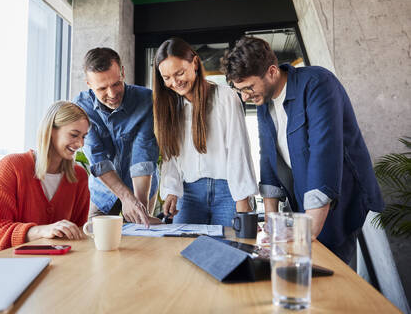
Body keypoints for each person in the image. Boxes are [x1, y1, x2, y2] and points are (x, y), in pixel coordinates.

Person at [221, 36, 384, 263]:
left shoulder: (318, 84)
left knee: (332, 274)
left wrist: (308, 232)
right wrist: (271, 228)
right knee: (305, 272)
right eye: (240, 90)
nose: (245, 96)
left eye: (249, 87)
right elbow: (268, 158)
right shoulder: (263, 102)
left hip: (338, 199)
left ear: (272, 72)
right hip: (302, 200)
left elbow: (324, 155)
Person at [153, 37, 258, 226]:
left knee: (230, 252)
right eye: (166, 78)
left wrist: (243, 200)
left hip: (228, 191)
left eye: (179, 73)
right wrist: (171, 190)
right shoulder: (169, 107)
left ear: (194, 63)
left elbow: (238, 150)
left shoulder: (226, 97)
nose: (175, 83)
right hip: (188, 193)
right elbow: (171, 155)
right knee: (182, 252)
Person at [0, 101, 91, 257]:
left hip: (49, 266)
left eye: (84, 137)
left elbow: (76, 235)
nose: (80, 143)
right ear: (50, 131)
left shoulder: (79, 177)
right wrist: (42, 230)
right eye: (74, 135)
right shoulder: (11, 167)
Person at [74, 47, 160, 226]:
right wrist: (125, 198)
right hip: (103, 191)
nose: (112, 95)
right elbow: (98, 159)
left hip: (142, 188)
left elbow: (142, 155)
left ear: (122, 72)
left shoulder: (146, 100)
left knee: (141, 241)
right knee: (96, 244)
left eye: (116, 84)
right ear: (89, 84)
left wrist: (139, 205)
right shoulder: (82, 106)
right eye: (102, 88)